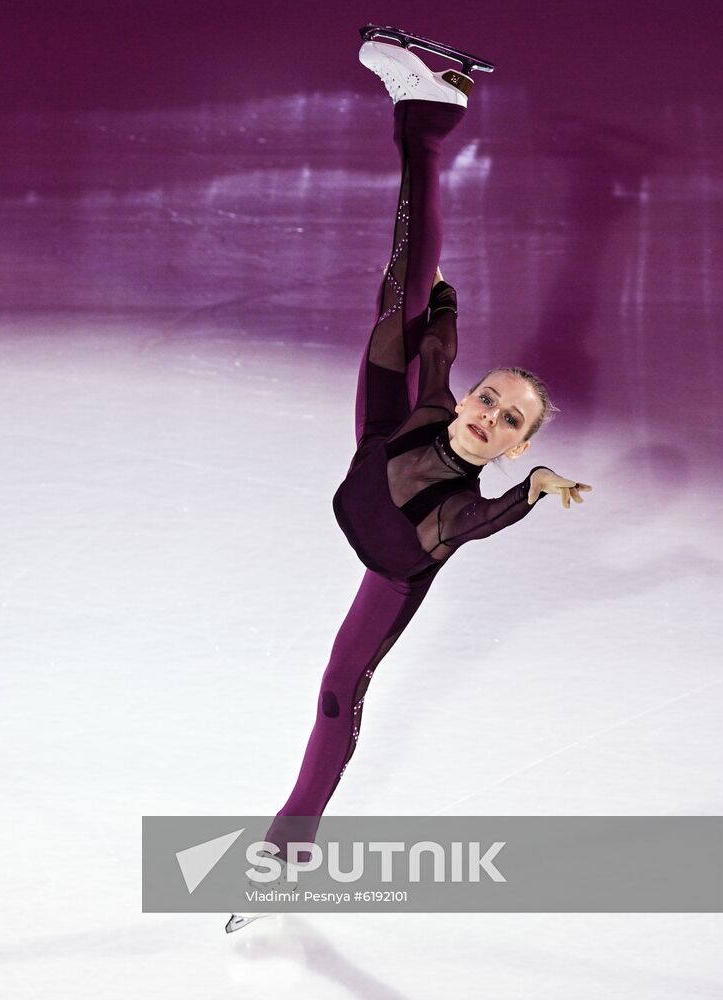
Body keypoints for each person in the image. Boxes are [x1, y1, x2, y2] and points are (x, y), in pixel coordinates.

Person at [227, 35, 592, 931]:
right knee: (403, 293)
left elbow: (484, 518)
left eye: (507, 422)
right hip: (379, 449)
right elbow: (435, 339)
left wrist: (535, 487)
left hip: (389, 555)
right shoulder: (436, 402)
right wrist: (442, 303)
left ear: (508, 447)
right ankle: (427, 113)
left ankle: (284, 851)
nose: (488, 415)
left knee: (336, 697)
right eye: (490, 398)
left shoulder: (456, 513)